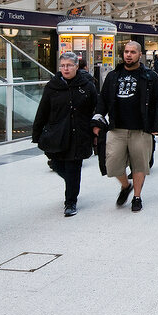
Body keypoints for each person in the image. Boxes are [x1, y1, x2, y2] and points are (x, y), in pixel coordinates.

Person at [92, 40, 158, 212]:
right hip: (117, 128)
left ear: (140, 54)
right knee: (112, 165)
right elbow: (103, 100)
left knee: (139, 165)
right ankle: (126, 186)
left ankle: (137, 197)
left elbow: (157, 102)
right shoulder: (113, 75)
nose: (128, 55)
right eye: (126, 52)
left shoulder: (150, 76)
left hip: (141, 129)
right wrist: (97, 121)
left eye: (132, 52)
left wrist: (157, 126)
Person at [32, 51, 98, 216]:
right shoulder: (52, 86)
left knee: (73, 168)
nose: (65, 68)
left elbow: (95, 109)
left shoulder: (87, 86)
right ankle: (71, 183)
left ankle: (70, 202)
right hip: (56, 134)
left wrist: (97, 131)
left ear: (76, 66)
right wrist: (37, 133)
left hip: (79, 134)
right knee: (57, 164)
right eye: (62, 65)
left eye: (69, 65)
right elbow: (43, 111)